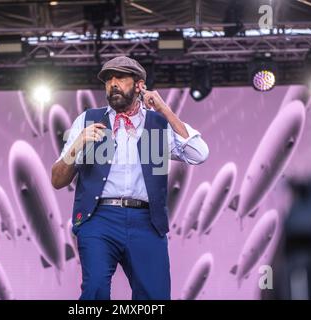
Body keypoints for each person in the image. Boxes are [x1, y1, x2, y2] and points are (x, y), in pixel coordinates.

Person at [51, 56, 209, 300]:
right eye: (108, 79)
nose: (113, 84)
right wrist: (78, 144)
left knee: (154, 297)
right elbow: (57, 180)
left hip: (146, 221)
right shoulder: (88, 120)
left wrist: (165, 110)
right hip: (99, 218)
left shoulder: (158, 124)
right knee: (95, 290)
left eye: (120, 78)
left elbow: (200, 154)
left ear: (139, 85)